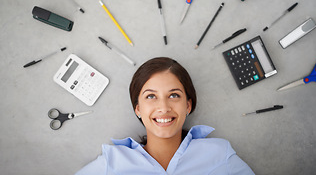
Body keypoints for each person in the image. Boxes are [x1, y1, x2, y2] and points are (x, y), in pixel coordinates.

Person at [75, 57, 254, 175]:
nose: (163, 107)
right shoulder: (111, 163)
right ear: (138, 109)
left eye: (174, 95)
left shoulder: (219, 153)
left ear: (188, 105)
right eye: (151, 96)